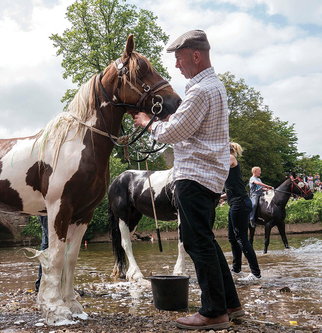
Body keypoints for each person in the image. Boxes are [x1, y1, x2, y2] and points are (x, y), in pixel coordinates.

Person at [133, 29, 242, 330]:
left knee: (196, 242)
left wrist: (148, 122)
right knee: (205, 240)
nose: (177, 66)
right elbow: (189, 127)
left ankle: (213, 312)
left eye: (180, 59)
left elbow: (172, 133)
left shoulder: (200, 90)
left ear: (196, 56)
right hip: (208, 176)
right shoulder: (213, 87)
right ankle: (230, 303)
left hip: (194, 176)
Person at [222, 143, 261, 282]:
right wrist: (218, 197)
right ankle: (237, 270)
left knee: (242, 239)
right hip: (236, 203)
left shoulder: (230, 158)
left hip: (240, 204)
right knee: (233, 238)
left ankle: (256, 273)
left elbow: (219, 169)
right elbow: (231, 190)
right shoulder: (229, 163)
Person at [35, 215, 48, 293]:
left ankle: (41, 284)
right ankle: (62, 286)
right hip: (48, 209)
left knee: (46, 245)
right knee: (55, 242)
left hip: (44, 211)